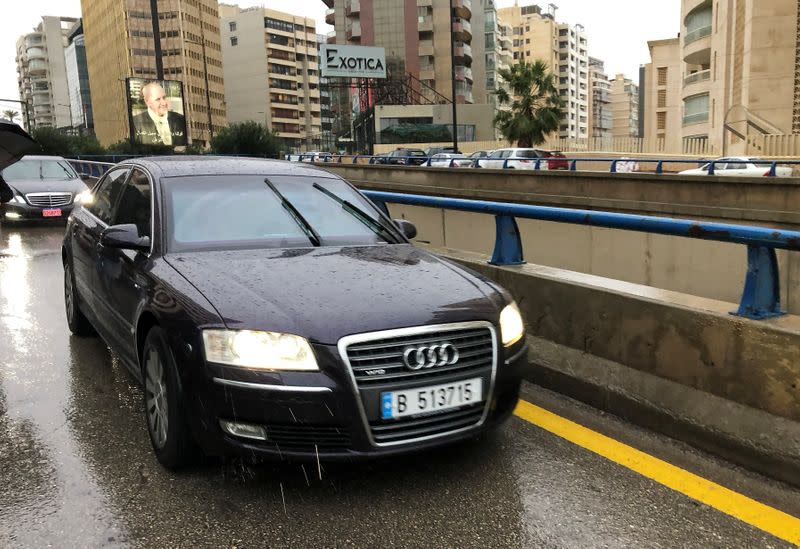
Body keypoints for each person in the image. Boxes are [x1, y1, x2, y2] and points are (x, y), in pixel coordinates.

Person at [131, 81, 187, 146]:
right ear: (147, 102)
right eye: (158, 99)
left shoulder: (180, 119)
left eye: (164, 97)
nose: (164, 103)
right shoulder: (135, 123)